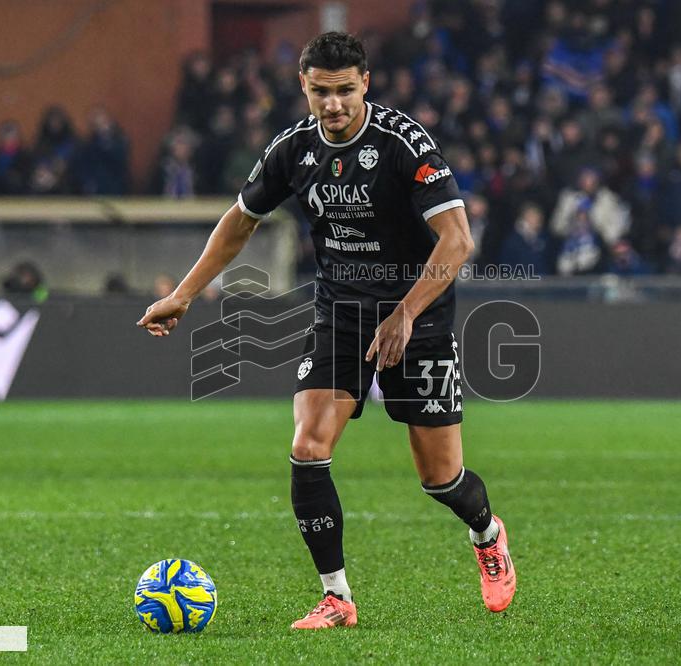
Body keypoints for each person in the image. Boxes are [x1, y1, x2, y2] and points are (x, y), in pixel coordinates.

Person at [137, 32, 515, 629]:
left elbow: (458, 240)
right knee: (308, 446)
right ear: (304, 88)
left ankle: (487, 533)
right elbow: (240, 222)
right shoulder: (293, 149)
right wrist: (183, 293)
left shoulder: (404, 144)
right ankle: (337, 597)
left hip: (420, 316)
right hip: (340, 312)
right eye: (320, 92)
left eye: (344, 91)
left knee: (440, 478)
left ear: (365, 84)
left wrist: (406, 314)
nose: (332, 104)